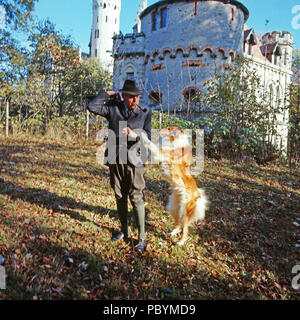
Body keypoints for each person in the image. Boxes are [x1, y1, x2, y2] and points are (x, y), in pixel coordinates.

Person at [87, 80, 151, 252]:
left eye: (137, 97)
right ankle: (124, 231)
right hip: (116, 158)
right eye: (131, 97)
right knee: (119, 195)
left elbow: (148, 139)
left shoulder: (145, 113)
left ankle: (142, 238)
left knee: (136, 196)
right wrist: (108, 93)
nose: (135, 100)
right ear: (123, 96)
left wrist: (135, 134)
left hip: (135, 160)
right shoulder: (113, 108)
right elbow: (92, 106)